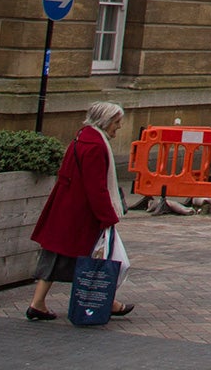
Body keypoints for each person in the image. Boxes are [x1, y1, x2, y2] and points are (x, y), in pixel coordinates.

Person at [28, 102, 134, 321]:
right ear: (105, 122)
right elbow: (96, 187)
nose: (119, 127)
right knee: (96, 259)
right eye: (116, 122)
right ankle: (105, 302)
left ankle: (37, 303)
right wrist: (107, 216)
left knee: (55, 257)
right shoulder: (95, 146)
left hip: (65, 210)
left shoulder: (82, 137)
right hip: (79, 215)